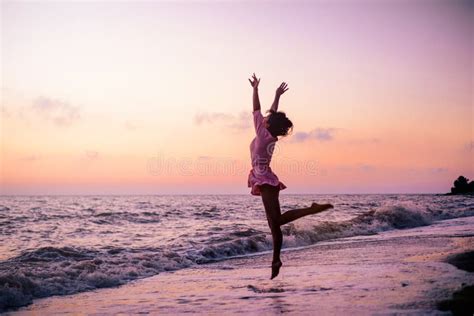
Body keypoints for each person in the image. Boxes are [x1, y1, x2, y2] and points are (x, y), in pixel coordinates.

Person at [247, 73, 334, 279]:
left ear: (267, 124)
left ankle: (310, 210)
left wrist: (255, 90)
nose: (265, 117)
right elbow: (271, 113)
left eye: (267, 119)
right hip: (266, 178)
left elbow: (257, 109)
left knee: (275, 222)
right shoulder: (270, 134)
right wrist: (277, 96)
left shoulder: (262, 133)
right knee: (274, 224)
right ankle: (276, 259)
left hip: (265, 180)